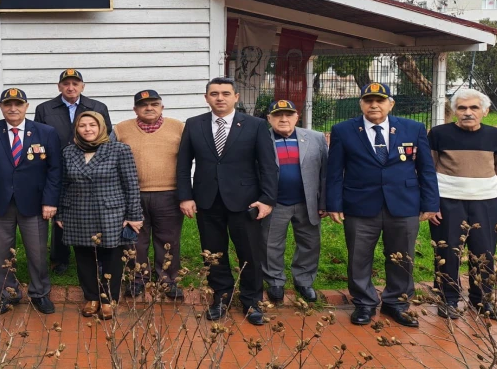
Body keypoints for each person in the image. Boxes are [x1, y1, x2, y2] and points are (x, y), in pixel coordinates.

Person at [325, 82, 440, 328]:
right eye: (368, 100)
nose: (374, 105)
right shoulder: (343, 130)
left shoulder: (413, 128)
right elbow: (334, 172)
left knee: (402, 258)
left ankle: (396, 304)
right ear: (361, 104)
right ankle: (364, 303)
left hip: (404, 204)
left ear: (391, 103)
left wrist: (430, 203)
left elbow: (426, 169)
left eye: (379, 100)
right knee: (359, 257)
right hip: (359, 205)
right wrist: (333, 204)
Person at [176, 77, 277, 326]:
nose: (219, 98)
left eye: (225, 93)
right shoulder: (194, 124)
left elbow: (268, 166)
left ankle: (252, 301)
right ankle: (220, 298)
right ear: (206, 97)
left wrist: (266, 200)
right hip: (207, 200)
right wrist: (186, 196)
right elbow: (183, 164)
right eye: (214, 94)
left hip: (246, 202)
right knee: (213, 254)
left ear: (236, 97)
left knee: (250, 254)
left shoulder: (255, 125)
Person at [0, 88, 62, 315]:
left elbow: (55, 170)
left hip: (35, 204)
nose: (13, 108)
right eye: (8, 104)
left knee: (37, 252)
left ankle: (40, 293)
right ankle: (8, 294)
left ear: (26, 106)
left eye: (18, 104)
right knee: (1, 252)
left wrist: (50, 201)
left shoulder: (46, 132)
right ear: (1, 107)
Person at [428, 89, 497, 321]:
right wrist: (430, 204)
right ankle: (448, 300)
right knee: (447, 252)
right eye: (462, 108)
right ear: (454, 111)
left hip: (486, 203)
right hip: (447, 203)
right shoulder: (438, 134)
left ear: (485, 111)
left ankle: (482, 301)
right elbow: (426, 172)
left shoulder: (496, 135)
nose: (468, 112)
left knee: (484, 253)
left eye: (474, 108)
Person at [55, 111, 143, 320]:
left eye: (92, 125)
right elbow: (63, 185)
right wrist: (60, 211)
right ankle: (91, 297)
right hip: (77, 211)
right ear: (76, 129)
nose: (87, 129)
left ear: (101, 127)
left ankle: (108, 299)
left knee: (111, 256)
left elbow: (131, 185)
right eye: (82, 125)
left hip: (111, 212)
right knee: (84, 256)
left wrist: (134, 215)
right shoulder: (69, 152)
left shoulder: (119, 150)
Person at [34, 68, 113, 274]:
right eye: (66, 84)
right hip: (56, 167)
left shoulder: (97, 106)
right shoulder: (45, 108)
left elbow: (107, 135)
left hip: (89, 166)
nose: (71, 87)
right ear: (59, 86)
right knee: (60, 210)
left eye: (75, 83)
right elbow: (39, 140)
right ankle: (60, 258)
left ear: (82, 86)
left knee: (92, 210)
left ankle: (96, 252)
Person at [112, 90, 186, 300]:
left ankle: (168, 280)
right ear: (135, 109)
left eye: (154, 104)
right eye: (143, 105)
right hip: (132, 195)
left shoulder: (178, 127)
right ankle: (137, 280)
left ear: (162, 106)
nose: (149, 108)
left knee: (168, 240)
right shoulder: (120, 129)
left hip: (169, 194)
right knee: (135, 241)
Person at [260, 100, 327, 305]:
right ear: (269, 118)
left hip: (308, 202)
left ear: (297, 116)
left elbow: (326, 172)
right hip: (275, 202)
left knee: (309, 243)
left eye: (288, 114)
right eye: (278, 115)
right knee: (271, 243)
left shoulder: (316, 138)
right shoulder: (260, 138)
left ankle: (304, 281)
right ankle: (275, 281)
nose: (283, 119)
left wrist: (324, 201)